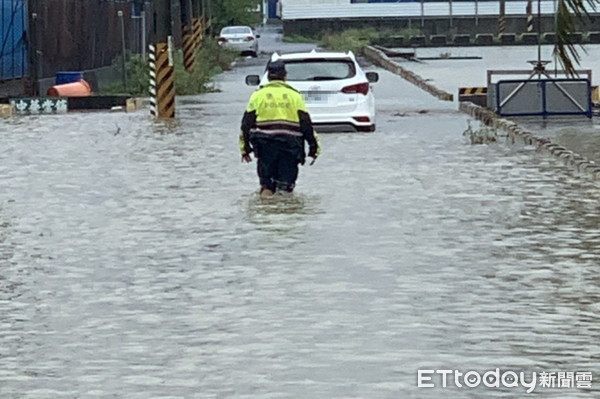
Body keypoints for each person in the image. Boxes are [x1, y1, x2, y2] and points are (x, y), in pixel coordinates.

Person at [239, 60, 320, 196]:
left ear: (269, 76)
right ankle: (285, 211)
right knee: (285, 188)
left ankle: (265, 211)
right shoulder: (295, 96)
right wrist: (314, 148)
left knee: (267, 186)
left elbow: (246, 124)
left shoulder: (258, 95)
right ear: (285, 75)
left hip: (265, 146)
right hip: (290, 146)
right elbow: (306, 124)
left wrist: (245, 149)